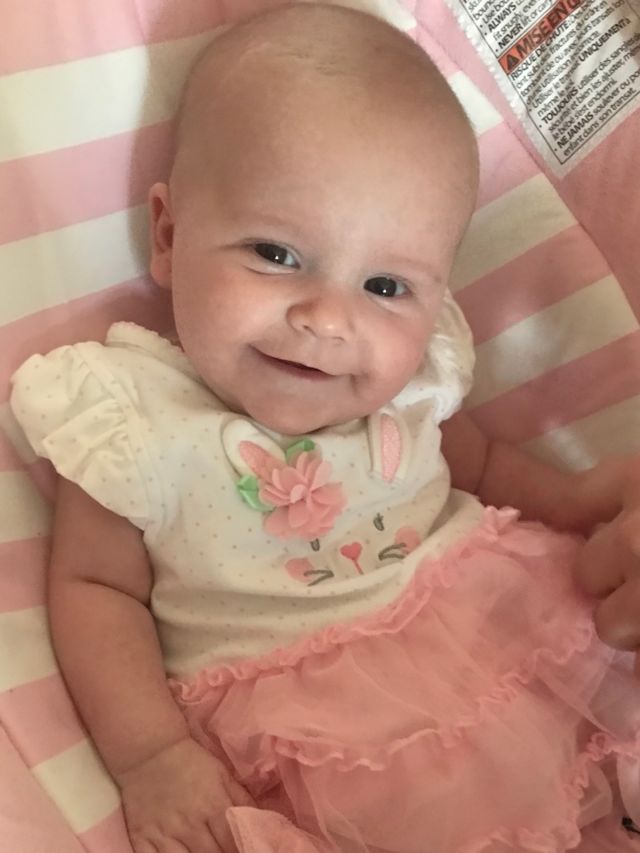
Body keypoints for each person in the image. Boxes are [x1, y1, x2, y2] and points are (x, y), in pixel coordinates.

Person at [9, 4, 640, 852]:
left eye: (385, 287)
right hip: (330, 735)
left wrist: (576, 498)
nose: (328, 318)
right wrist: (151, 755)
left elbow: (482, 463)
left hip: (505, 625)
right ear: (169, 234)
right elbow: (96, 591)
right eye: (276, 254)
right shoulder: (134, 418)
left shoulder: (410, 386)